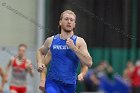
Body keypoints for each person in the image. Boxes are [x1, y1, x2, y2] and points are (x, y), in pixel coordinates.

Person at [36, 10, 93, 93]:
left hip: (70, 85)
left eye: (71, 20)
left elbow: (89, 63)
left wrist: (74, 48)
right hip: (53, 83)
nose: (69, 22)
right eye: (66, 19)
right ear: (60, 22)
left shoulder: (79, 42)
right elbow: (40, 51)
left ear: (74, 25)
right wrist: (39, 64)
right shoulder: (51, 40)